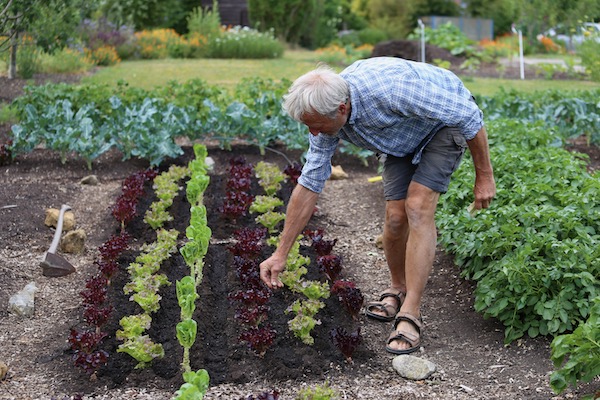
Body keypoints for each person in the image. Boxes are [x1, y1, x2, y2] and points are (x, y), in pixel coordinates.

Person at [259, 56, 496, 355]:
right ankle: (398, 287)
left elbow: (468, 116)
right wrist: (280, 254)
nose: (314, 133)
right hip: (402, 136)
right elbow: (310, 182)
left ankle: (411, 312)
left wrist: (484, 177)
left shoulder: (392, 90)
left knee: (417, 207)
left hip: (443, 124)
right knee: (396, 218)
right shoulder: (325, 114)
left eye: (316, 126)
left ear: (341, 109)